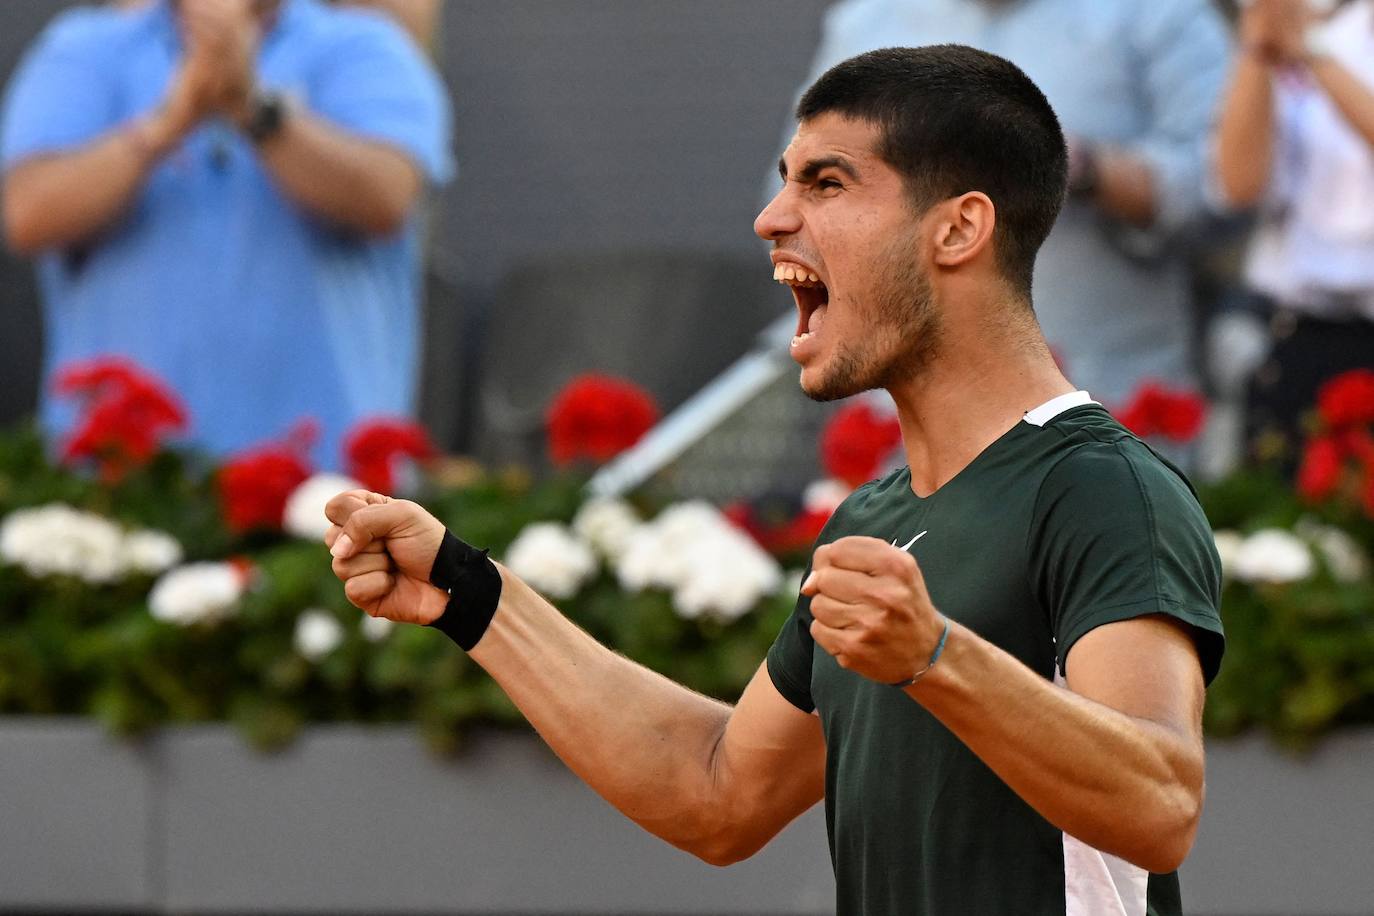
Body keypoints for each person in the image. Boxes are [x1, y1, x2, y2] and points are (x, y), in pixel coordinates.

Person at [326, 47, 1224, 915]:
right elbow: (716, 789)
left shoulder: (1102, 487)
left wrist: (936, 659)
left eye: (826, 183)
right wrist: (465, 588)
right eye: (785, 179)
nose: (772, 217)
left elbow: (1161, 801)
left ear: (958, 228)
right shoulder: (871, 522)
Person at [1, 0, 451, 464]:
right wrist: (163, 126)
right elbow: (30, 214)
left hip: (325, 490)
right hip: (118, 489)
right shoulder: (84, 49)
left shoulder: (365, 47)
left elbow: (386, 198)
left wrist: (251, 108)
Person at [771, 0, 1230, 417]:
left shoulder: (1161, 14)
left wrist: (1083, 167)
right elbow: (794, 201)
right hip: (900, 416)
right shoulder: (865, 22)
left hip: (1099, 401)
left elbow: (1229, 193)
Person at [1213, 0, 1374, 453]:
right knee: (1275, 519)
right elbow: (1239, 185)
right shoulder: (1317, 25)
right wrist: (1258, 46)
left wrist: (1313, 52)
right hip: (1300, 334)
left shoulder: (1318, 41)